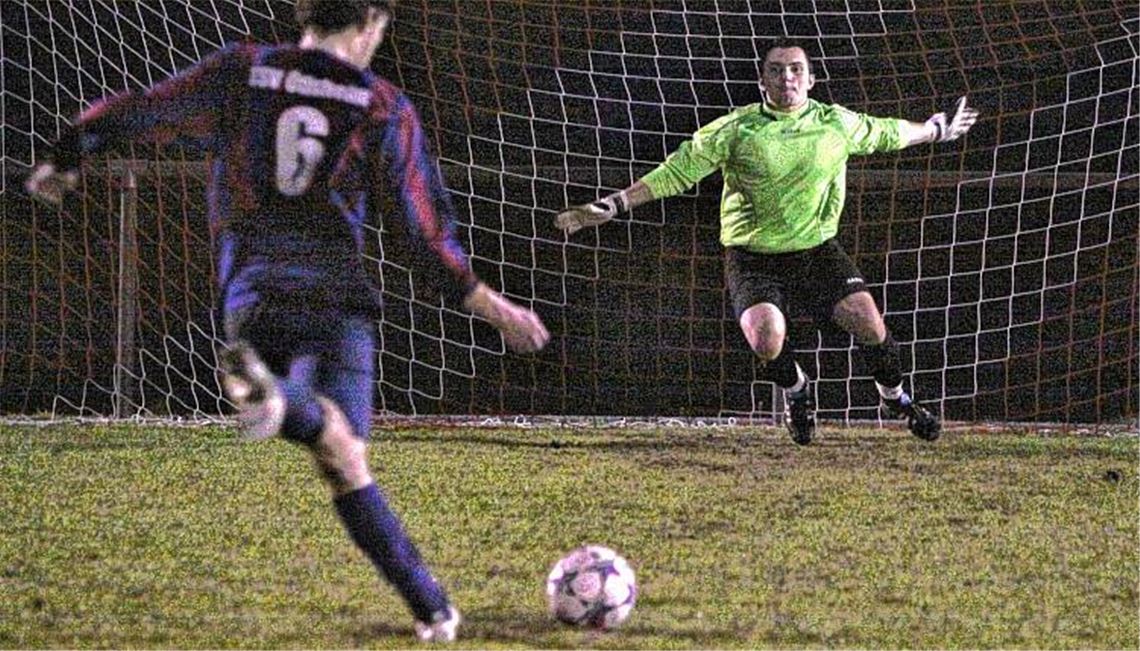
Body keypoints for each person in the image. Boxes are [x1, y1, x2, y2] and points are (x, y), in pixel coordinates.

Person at [25, 0, 550, 642]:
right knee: (345, 452)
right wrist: (493, 307)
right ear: (371, 23)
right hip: (336, 301)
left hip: (251, 295)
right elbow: (422, 231)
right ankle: (428, 601)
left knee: (334, 446)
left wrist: (67, 153)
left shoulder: (243, 72)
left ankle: (431, 608)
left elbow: (144, 108)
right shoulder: (380, 104)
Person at [555, 37, 978, 445]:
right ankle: (797, 390)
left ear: (811, 79)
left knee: (869, 321)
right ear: (762, 82)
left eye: (796, 70)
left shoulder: (835, 124)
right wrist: (615, 204)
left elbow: (887, 132)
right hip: (753, 257)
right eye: (776, 71)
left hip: (816, 251)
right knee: (765, 338)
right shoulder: (736, 129)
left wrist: (936, 129)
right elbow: (677, 171)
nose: (786, 77)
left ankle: (895, 397)